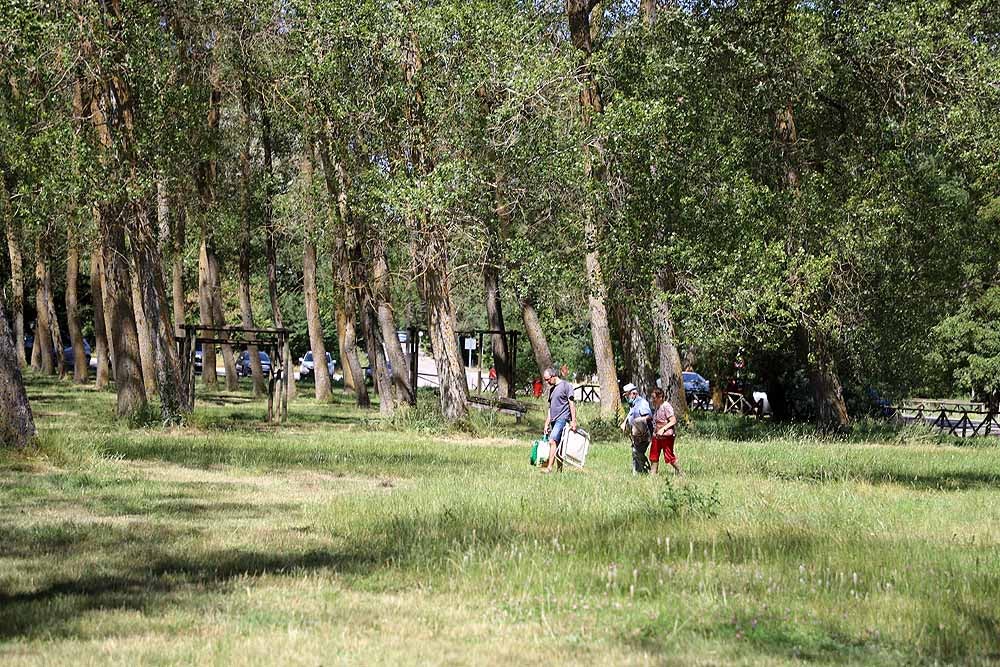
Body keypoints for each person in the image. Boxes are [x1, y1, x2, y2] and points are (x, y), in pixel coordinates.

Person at [542, 367, 577, 474]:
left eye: (548, 379)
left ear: (554, 376)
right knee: (559, 445)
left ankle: (549, 468)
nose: (547, 382)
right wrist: (546, 424)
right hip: (553, 420)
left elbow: (572, 404)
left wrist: (573, 421)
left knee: (552, 441)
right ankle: (560, 470)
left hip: (562, 419)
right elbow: (550, 408)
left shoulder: (566, 386)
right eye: (545, 380)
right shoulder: (552, 390)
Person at [650, 388, 682, 476]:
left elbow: (673, 421)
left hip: (666, 436)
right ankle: (653, 474)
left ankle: (681, 473)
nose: (652, 400)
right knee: (654, 455)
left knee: (669, 456)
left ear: (660, 397)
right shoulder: (657, 406)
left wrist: (663, 429)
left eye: (654, 397)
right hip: (656, 436)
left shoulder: (666, 406)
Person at [621, 383, 652, 474]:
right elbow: (631, 413)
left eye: (627, 395)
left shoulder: (642, 403)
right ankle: (638, 471)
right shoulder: (633, 404)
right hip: (636, 434)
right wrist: (625, 422)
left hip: (644, 434)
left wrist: (636, 421)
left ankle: (646, 469)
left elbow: (648, 417)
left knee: (636, 452)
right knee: (635, 452)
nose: (626, 397)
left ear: (633, 394)